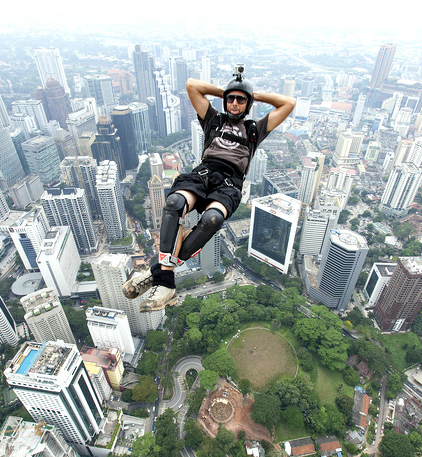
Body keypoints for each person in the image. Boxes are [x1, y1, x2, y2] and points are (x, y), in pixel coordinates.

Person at [124, 69, 296, 312]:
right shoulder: (213, 120)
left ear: (248, 104)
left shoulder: (255, 130)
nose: (234, 103)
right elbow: (192, 85)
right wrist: (226, 90)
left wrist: (251, 93)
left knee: (212, 219)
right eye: (231, 98)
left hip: (229, 183)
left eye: (241, 99)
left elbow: (289, 103)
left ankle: (159, 276)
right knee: (174, 203)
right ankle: (165, 281)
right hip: (203, 174)